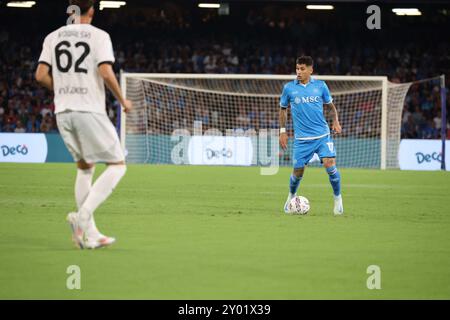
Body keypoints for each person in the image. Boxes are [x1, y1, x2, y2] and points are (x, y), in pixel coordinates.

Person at [35, 0, 132, 249]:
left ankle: (91, 235)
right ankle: (83, 216)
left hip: (63, 111)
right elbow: (106, 71)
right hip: (89, 110)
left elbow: (40, 75)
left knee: (85, 168)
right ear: (92, 11)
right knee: (118, 165)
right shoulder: (99, 36)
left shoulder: (52, 37)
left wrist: (62, 90)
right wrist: (123, 100)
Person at [279, 56, 343, 215]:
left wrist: (335, 121)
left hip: (322, 136)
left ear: (310, 70)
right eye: (297, 68)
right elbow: (283, 109)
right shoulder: (289, 88)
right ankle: (291, 196)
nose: (298, 72)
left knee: (330, 164)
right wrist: (282, 131)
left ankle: (338, 199)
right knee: (298, 172)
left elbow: (330, 106)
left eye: (302, 69)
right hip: (301, 140)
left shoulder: (321, 86)